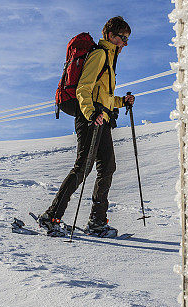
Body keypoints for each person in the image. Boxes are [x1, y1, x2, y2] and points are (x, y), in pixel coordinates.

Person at [39, 16, 135, 237]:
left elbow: (104, 96)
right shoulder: (100, 55)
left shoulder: (110, 59)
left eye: (127, 39)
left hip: (101, 116)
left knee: (108, 167)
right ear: (110, 35)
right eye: (123, 38)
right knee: (83, 167)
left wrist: (122, 101)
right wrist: (92, 114)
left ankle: (97, 221)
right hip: (90, 117)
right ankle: (51, 215)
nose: (125, 43)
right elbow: (84, 88)